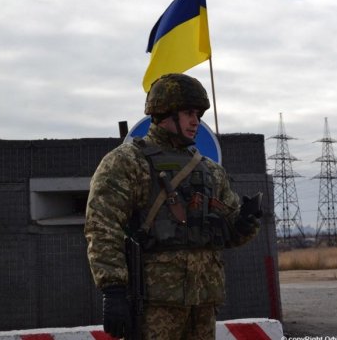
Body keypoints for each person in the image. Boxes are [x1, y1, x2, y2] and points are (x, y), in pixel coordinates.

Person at [84, 73, 261, 340]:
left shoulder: (210, 170)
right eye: (189, 113)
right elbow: (102, 226)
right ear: (165, 113)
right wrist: (113, 290)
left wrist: (244, 224)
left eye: (198, 114)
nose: (196, 121)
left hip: (203, 301)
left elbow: (226, 235)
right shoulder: (128, 162)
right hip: (155, 305)